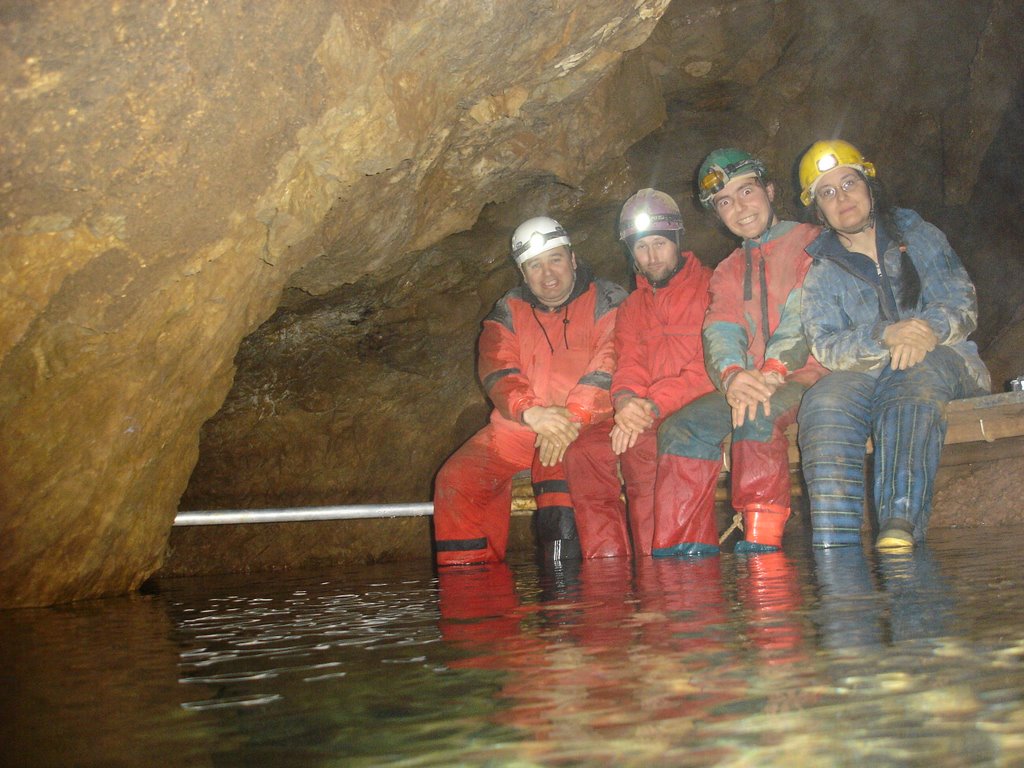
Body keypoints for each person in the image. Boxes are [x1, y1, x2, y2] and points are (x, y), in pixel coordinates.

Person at [796, 139, 990, 550]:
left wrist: (923, 329)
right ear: (819, 210)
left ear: (869, 185)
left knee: (910, 375)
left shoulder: (919, 235)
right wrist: (883, 335)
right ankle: (836, 543)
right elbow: (826, 344)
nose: (841, 197)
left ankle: (899, 523)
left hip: (946, 360)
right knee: (824, 400)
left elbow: (961, 301)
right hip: (868, 371)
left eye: (848, 183)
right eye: (827, 192)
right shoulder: (821, 272)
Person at [654, 148, 826, 556]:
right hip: (752, 380)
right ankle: (683, 552)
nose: (740, 208)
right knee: (679, 428)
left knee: (756, 414)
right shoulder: (729, 269)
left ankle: (761, 544)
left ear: (768, 190)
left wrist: (771, 371)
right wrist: (732, 375)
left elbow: (806, 311)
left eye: (747, 191)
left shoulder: (811, 242)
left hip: (810, 374)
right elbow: (721, 327)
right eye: (725, 202)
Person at [433, 216, 628, 565]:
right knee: (456, 480)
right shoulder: (508, 310)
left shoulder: (609, 299)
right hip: (522, 428)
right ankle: (473, 595)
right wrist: (530, 411)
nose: (547, 274)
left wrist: (572, 417)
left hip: (588, 426)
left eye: (555, 259)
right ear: (523, 273)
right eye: (534, 265)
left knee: (556, 466)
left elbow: (610, 361)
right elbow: (497, 367)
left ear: (572, 259)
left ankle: (569, 598)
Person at [563, 189, 714, 556]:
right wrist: (627, 400)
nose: (651, 256)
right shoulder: (632, 307)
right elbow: (628, 364)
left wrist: (646, 407)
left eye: (660, 243)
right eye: (641, 247)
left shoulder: (712, 286)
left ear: (677, 240)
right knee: (582, 450)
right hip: (648, 409)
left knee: (643, 449)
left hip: (704, 402)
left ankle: (679, 574)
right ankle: (611, 568)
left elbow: (709, 367)